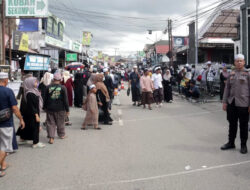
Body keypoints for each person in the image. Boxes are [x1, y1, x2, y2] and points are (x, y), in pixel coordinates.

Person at [221, 54, 250, 154]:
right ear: (234, 62)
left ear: (244, 62)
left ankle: (243, 145)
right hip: (231, 103)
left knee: (243, 125)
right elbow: (227, 88)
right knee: (232, 124)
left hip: (244, 103)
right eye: (237, 61)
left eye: (241, 61)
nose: (239, 63)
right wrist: (224, 102)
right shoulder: (231, 74)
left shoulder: (248, 74)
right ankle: (231, 142)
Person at [0, 72, 25, 177]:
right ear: (6, 80)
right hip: (5, 123)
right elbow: (14, 108)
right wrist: (21, 119)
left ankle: (3, 164)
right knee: (5, 146)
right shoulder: (8, 91)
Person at [16, 77, 45, 148]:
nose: (37, 83)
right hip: (33, 113)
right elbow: (31, 106)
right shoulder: (30, 93)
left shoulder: (33, 91)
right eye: (35, 82)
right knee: (35, 127)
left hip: (29, 112)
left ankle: (23, 138)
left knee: (27, 125)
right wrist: (36, 115)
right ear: (30, 83)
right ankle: (35, 143)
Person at [43, 73, 70, 144]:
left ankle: (51, 137)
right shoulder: (63, 87)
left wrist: (44, 107)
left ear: (53, 79)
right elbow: (65, 100)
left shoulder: (48, 87)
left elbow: (45, 98)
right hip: (60, 108)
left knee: (50, 123)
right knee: (60, 122)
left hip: (50, 108)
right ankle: (61, 135)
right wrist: (67, 110)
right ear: (60, 79)